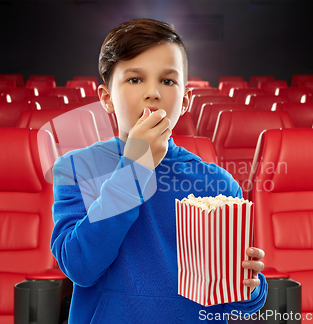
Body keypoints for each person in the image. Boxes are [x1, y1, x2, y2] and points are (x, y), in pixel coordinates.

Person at [51, 18, 267, 324]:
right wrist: (134, 170)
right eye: (135, 79)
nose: (153, 93)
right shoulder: (76, 168)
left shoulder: (218, 183)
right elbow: (80, 266)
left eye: (168, 81)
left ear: (186, 100)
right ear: (106, 98)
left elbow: (233, 301)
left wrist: (251, 286)